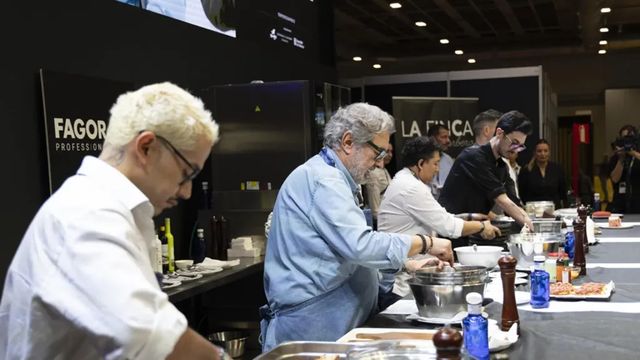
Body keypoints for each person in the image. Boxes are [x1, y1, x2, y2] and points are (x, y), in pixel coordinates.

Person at [0, 83, 227, 359]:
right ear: (146, 147)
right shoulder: (86, 214)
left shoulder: (114, 211)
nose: (187, 191)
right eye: (187, 173)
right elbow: (150, 334)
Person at [260, 103, 453, 351]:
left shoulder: (338, 177)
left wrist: (408, 264)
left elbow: (340, 249)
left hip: (340, 319)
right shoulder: (324, 180)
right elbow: (359, 246)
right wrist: (425, 242)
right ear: (348, 142)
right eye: (378, 153)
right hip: (316, 325)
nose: (379, 163)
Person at [378, 136, 501, 299]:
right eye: (435, 163)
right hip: (404, 284)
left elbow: (439, 216)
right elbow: (449, 227)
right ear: (421, 164)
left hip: (412, 274)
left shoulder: (405, 180)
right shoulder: (411, 187)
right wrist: (482, 227)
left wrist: (470, 216)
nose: (437, 169)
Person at [439, 111, 534, 248]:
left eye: (520, 146)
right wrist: (530, 227)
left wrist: (530, 223)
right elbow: (502, 200)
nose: (516, 150)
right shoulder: (473, 157)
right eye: (514, 143)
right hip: (451, 234)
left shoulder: (501, 166)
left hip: (472, 234)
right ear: (500, 133)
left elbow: (514, 202)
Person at [518, 139, 568, 209]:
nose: (543, 154)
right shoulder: (526, 170)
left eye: (545, 151)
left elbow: (563, 193)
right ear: (534, 153)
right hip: (534, 211)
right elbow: (522, 193)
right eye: (539, 151)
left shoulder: (557, 169)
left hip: (554, 210)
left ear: (549, 152)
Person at [609, 125, 640, 213]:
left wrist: (633, 153)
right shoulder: (616, 157)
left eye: (630, 138)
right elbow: (615, 179)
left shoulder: (637, 156)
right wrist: (621, 159)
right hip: (620, 203)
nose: (627, 141)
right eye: (625, 138)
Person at [365, 143, 393, 227]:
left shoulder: (383, 170)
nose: (390, 155)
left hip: (387, 218)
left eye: (391, 151)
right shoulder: (374, 174)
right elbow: (374, 209)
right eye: (387, 151)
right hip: (380, 223)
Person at [427, 124, 453, 199]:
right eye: (444, 137)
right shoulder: (423, 160)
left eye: (448, 137)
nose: (448, 141)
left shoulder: (449, 160)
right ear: (432, 138)